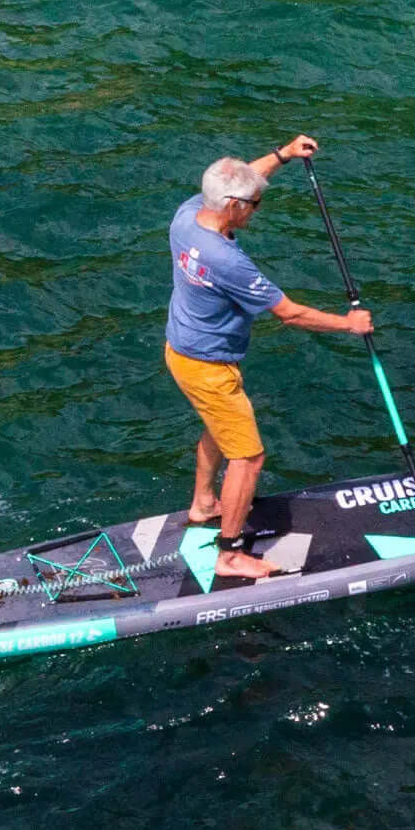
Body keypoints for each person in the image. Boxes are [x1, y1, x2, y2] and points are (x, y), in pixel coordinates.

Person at [165, 134, 373, 580]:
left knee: (218, 427)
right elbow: (291, 314)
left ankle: (204, 503)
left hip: (181, 351)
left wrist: (283, 155)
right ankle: (230, 553)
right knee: (249, 457)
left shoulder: (186, 217)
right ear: (234, 207)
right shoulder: (229, 261)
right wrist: (348, 324)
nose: (257, 210)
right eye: (255, 205)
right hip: (209, 367)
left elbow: (241, 180)